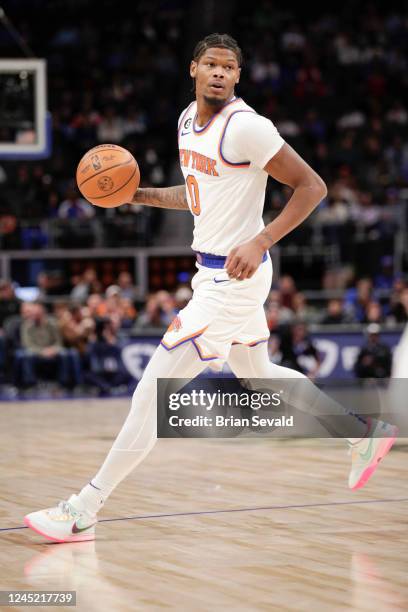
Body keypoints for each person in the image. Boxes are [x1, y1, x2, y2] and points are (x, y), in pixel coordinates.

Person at [25, 33, 397, 543]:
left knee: (151, 395)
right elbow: (199, 194)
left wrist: (262, 238)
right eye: (211, 65)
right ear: (194, 70)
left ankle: (84, 509)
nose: (220, 72)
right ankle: (361, 433)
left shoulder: (247, 127)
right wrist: (139, 195)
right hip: (218, 272)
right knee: (259, 374)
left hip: (233, 279)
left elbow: (313, 187)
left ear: (238, 76)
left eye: (229, 66)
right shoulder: (186, 122)